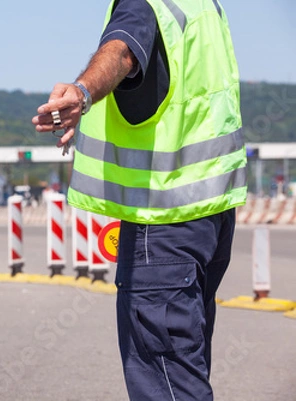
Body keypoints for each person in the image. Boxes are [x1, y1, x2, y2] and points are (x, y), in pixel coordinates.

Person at [32, 1, 247, 400]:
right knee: (185, 368)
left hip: (161, 220)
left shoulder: (148, 4)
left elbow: (121, 49)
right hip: (210, 216)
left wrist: (82, 92)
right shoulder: (203, 8)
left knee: (167, 380)